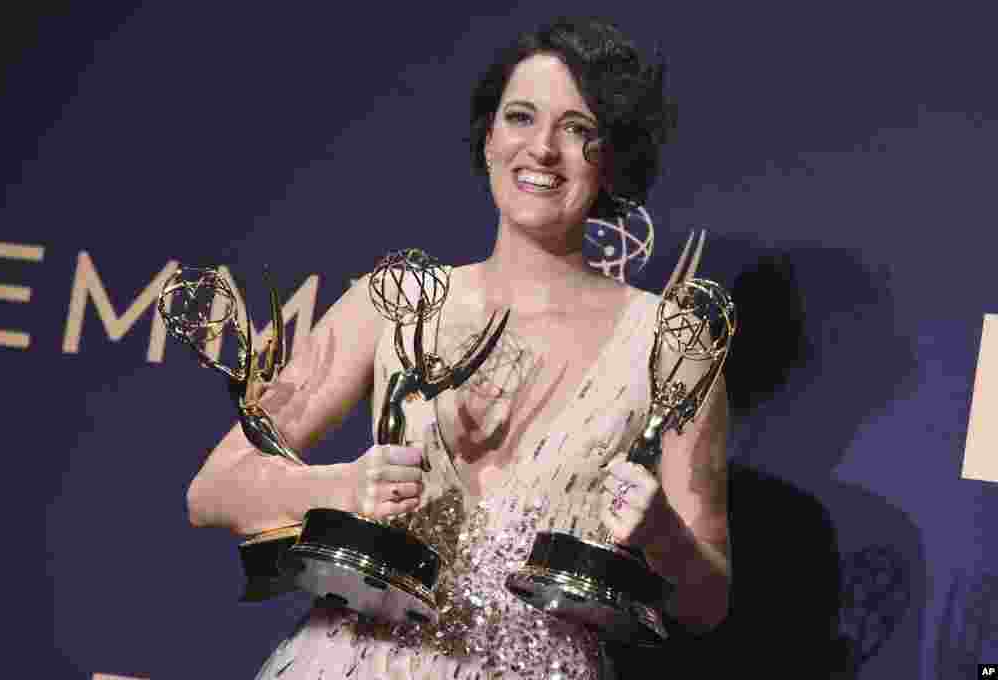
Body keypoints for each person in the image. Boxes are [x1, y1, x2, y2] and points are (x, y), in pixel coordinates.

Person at [186, 16, 731, 680]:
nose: (542, 149)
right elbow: (213, 489)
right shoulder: (394, 300)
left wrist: (662, 536)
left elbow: (708, 605)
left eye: (578, 129)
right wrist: (345, 486)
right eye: (521, 117)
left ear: (614, 156)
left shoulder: (669, 345)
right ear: (489, 136)